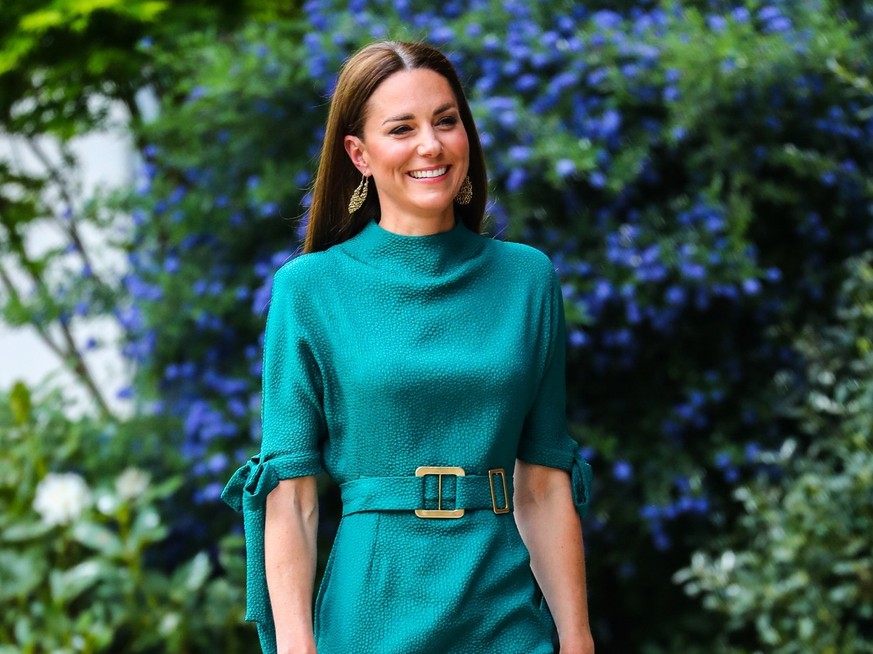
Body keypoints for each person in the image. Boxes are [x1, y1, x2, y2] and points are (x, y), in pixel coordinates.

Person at [222, 40, 594, 654]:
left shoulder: (528, 280)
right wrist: (294, 645)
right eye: (403, 129)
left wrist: (577, 638)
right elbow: (292, 499)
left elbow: (543, 483)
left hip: (504, 613)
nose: (431, 145)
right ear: (359, 154)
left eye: (446, 121)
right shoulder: (308, 290)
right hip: (370, 615)